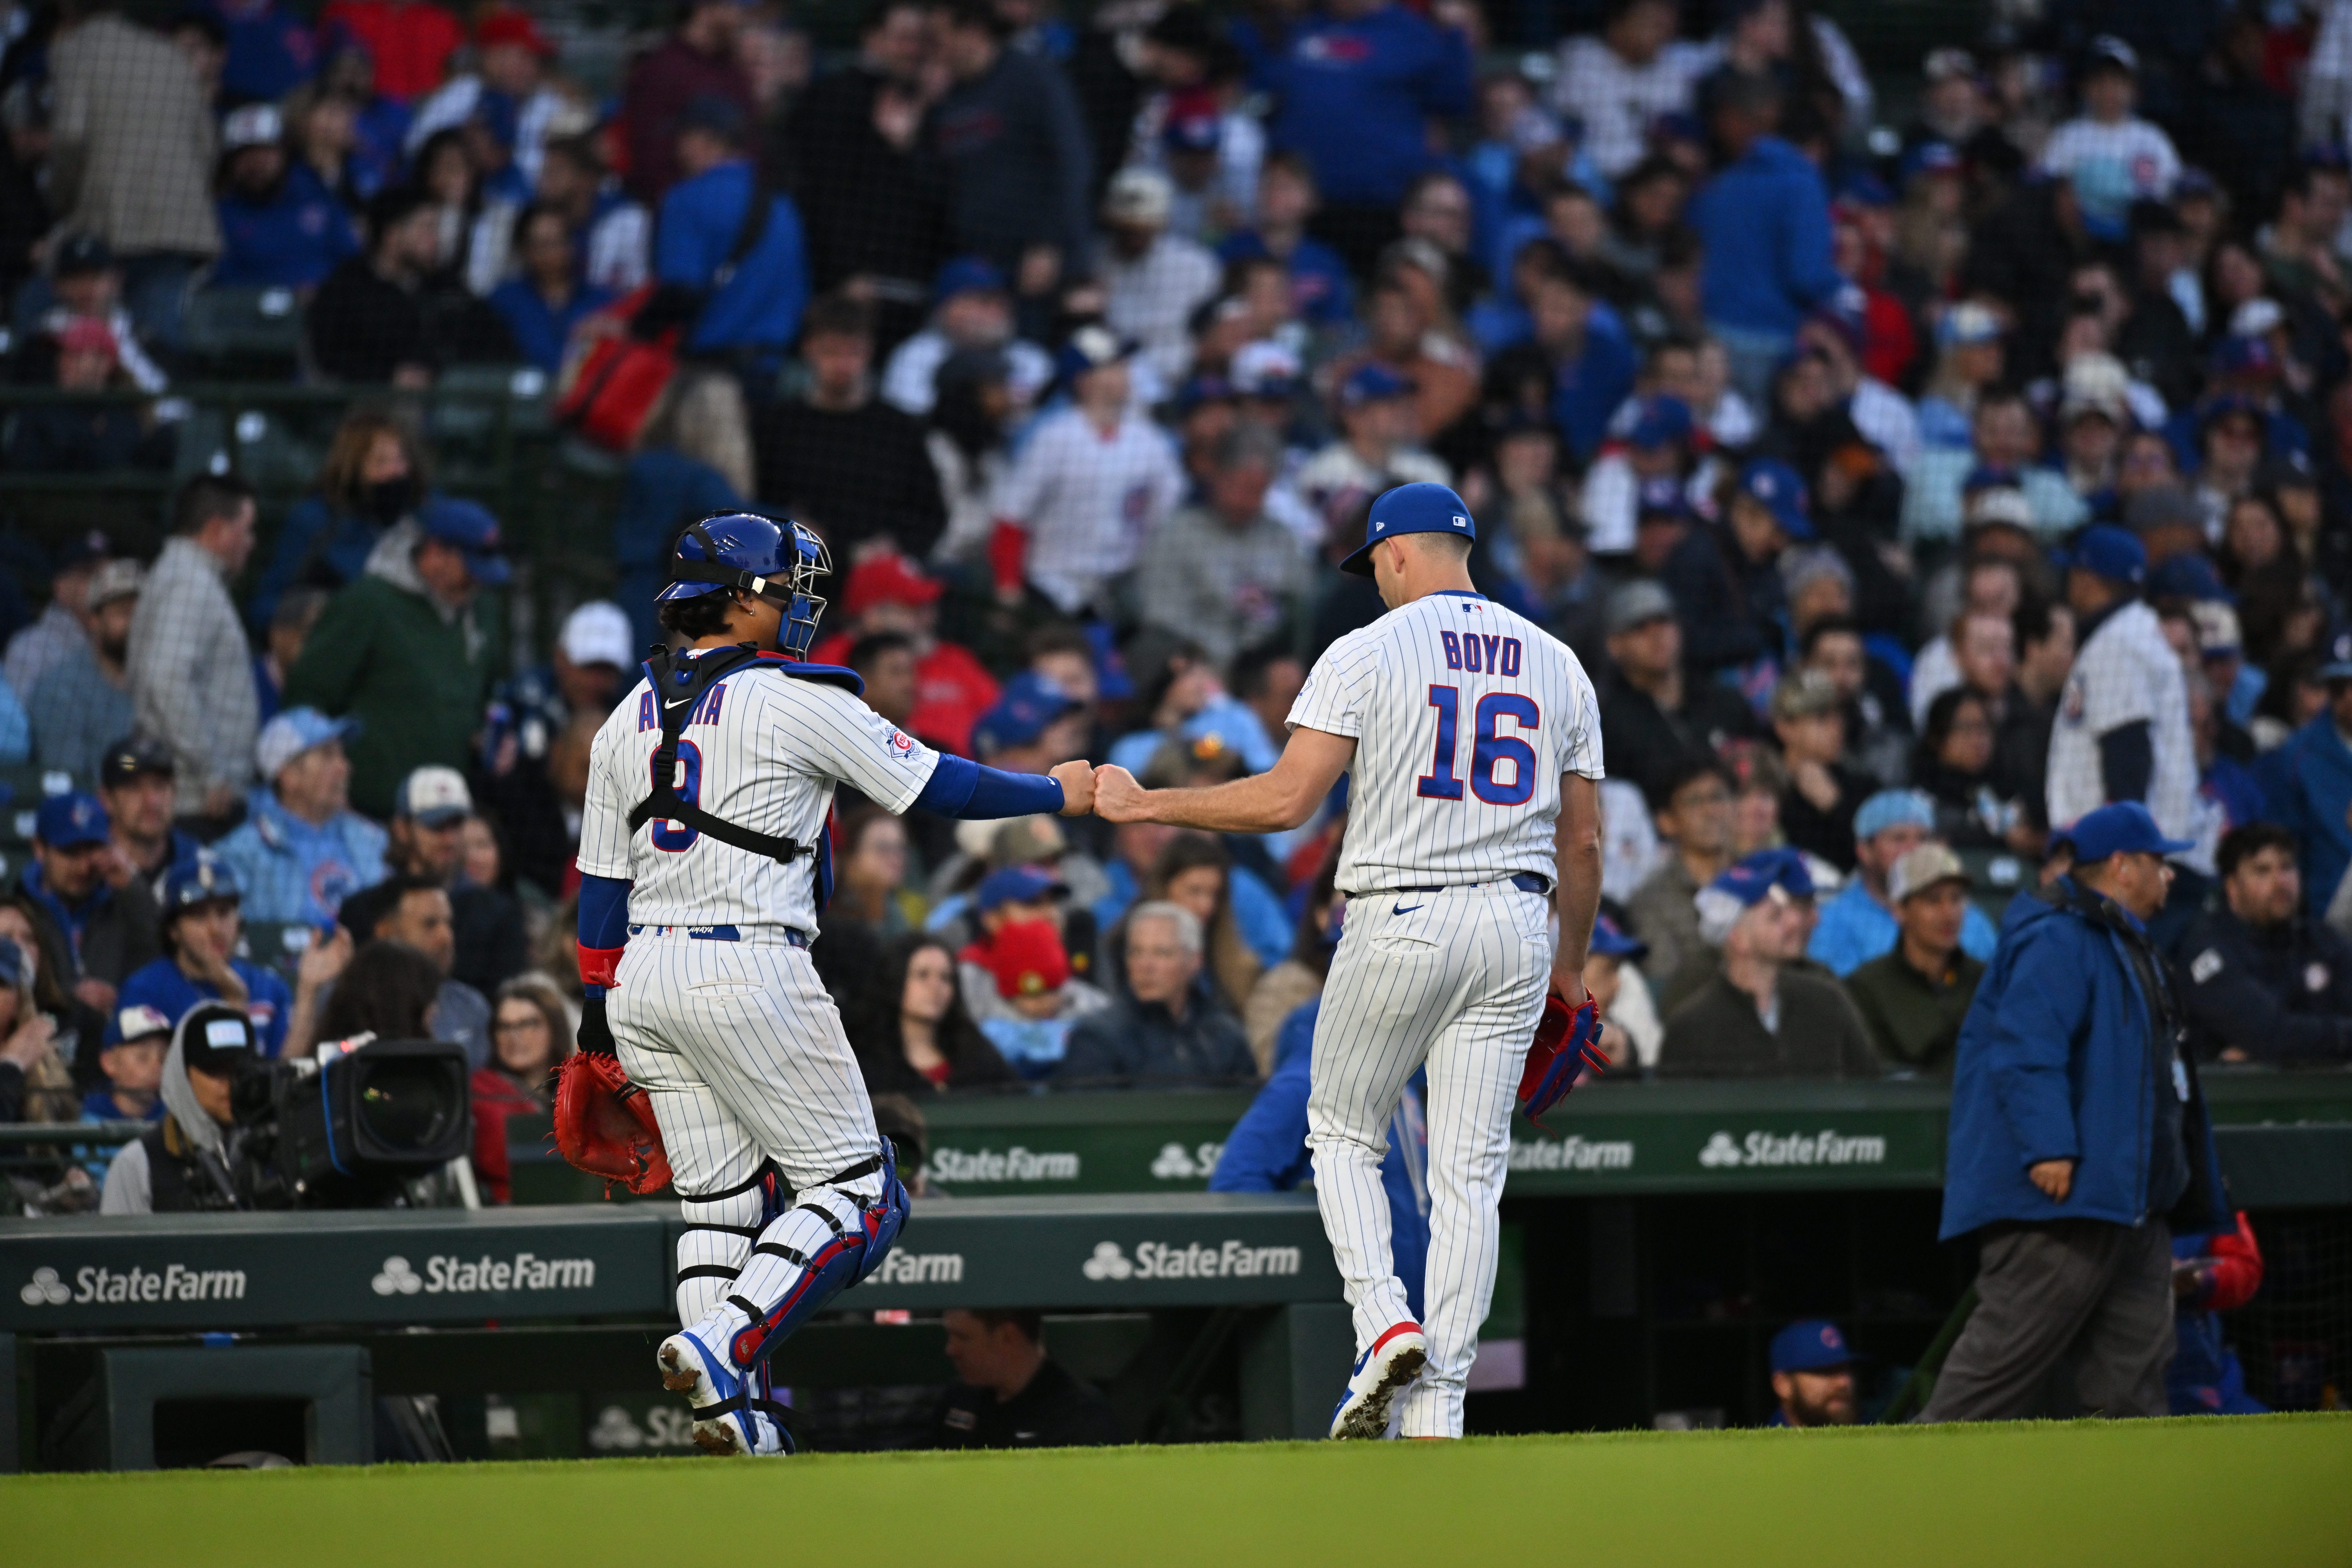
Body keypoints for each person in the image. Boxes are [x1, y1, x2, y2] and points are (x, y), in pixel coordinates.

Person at [573, 513, 1095, 1457]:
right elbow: (936, 784)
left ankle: (736, 1428)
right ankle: (721, 1344)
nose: (796, 605)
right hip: (746, 959)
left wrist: (594, 1024)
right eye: (780, 588)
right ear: (734, 599)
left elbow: (600, 894)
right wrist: (1056, 791)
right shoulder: (791, 697)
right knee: (861, 1193)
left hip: (644, 974)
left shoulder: (624, 716)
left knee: (720, 1208)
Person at [1093, 479, 1604, 1441]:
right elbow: (1581, 845)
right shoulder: (1558, 661)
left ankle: (1382, 1324)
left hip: (1400, 910)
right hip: (1514, 924)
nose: (1372, 578)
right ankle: (1440, 1406)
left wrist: (1145, 803)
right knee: (1467, 1176)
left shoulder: (1365, 650)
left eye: (1372, 561)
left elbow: (1288, 800)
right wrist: (1569, 968)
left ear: (1399, 552)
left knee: (1340, 1130)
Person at [1925, 803, 2230, 1423]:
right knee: (1987, 1387)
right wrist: (2048, 1146)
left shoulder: (2129, 944)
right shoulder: (2058, 938)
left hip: (2132, 1205)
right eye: (2159, 863)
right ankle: (1893, 1504)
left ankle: (2122, 1516)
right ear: (2121, 867)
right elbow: (2025, 1049)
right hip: (2064, 1205)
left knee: (2135, 1388)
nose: (2170, 875)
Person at [283, 498, 509, 821]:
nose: (478, 582)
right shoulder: (369, 603)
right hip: (368, 812)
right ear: (435, 553)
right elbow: (306, 698)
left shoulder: (480, 611)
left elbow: (488, 693)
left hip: (447, 813)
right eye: (470, 571)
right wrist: (326, 789)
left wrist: (491, 735)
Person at [1212, 993, 1430, 1322]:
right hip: (1348, 1326)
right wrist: (1300, 1265)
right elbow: (1235, 1186)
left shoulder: (1400, 1081)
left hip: (1411, 1322)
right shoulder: (1308, 1084)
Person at [1232, 0, 1473, 276]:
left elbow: (1454, 101)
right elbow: (1258, 86)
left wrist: (1455, 35)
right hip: (1308, 214)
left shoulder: (1413, 34)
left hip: (1384, 212)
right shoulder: (1297, 28)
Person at [46, 2, 222, 348]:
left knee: (82, 342)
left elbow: (69, 136)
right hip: (173, 225)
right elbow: (208, 145)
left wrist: (59, 200)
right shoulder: (168, 53)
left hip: (105, 226)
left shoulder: (76, 49)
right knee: (158, 346)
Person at [988, 326, 1185, 617]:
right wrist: (1008, 588)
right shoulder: (1054, 437)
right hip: (1052, 584)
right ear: (1083, 381)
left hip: (1119, 586)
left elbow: (1167, 517)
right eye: (1113, 366)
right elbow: (1011, 520)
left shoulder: (1148, 440)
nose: (1125, 372)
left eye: (1123, 364)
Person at [920, 0, 1094, 310]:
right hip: (978, 269)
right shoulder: (945, 99)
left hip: (1039, 265)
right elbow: (936, 185)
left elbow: (1073, 163)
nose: (933, 49)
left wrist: (1049, 243)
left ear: (973, 32)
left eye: (939, 37)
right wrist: (922, 116)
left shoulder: (1032, 77)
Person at [1686, 70, 1840, 402]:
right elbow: (1806, 275)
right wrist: (1842, 290)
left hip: (1713, 343)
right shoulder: (1802, 181)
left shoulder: (1720, 184)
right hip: (1772, 344)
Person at [1656, 853, 1880, 1080]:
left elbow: (1870, 1087)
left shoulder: (1828, 1003)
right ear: (1738, 938)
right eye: (1776, 916)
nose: (1794, 923)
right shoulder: (1692, 1027)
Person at [753, 293, 942, 559]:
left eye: (854, 352)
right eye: (831, 352)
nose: (843, 365)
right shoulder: (777, 425)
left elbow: (928, 511)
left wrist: (894, 545)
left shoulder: (898, 429)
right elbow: (751, 500)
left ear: (870, 351)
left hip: (875, 572)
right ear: (809, 349)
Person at [126, 475, 261, 826]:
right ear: (218, 529)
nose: (252, 542)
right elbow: (166, 678)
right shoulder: (190, 584)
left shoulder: (178, 575)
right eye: (246, 530)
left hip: (191, 794)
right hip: (197, 801)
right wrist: (212, 773)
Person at [2047, 530, 2196, 846]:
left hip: (2130, 854)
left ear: (2087, 580)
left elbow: (2128, 751)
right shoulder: (2134, 632)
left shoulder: (2118, 642)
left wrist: (2125, 848)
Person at [115, 857, 338, 1063]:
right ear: (173, 930)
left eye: (224, 913)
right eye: (199, 916)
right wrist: (233, 1002)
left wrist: (308, 990)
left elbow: (286, 1076)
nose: (216, 930)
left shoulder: (268, 987)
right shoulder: (145, 991)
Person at [653, 94, 809, 378]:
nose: (679, 152)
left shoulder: (686, 199)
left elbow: (679, 292)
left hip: (710, 375)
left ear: (708, 140)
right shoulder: (783, 206)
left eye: (684, 139)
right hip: (774, 375)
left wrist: (633, 330)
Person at [1137, 423, 1309, 673]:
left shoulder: (1279, 538)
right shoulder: (1178, 533)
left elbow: (1299, 610)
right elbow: (1160, 620)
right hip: (1193, 667)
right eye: (1242, 487)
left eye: (1259, 491)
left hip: (1261, 673)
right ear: (1217, 476)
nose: (1249, 501)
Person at [2178, 824, 2352, 1063]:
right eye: (2262, 871)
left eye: (2287, 867)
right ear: (2232, 886)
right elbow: (2273, 1035)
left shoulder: (2321, 941)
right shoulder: (2208, 950)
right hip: (2233, 1099)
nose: (2280, 881)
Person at [209, 708, 388, 928]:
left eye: (342, 755)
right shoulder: (240, 856)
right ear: (288, 775)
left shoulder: (373, 839)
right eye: (327, 755)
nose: (345, 768)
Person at [1596, 580, 1758, 806]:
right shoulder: (1606, 724)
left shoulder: (1726, 702)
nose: (1656, 635)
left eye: (1663, 622)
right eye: (1639, 627)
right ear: (1615, 645)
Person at [1059, 901, 1253, 1085]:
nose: (1145, 966)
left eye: (1161, 953)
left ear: (1195, 961)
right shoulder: (1097, 1038)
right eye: (1136, 952)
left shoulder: (1226, 1036)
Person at [1807, 789, 1997, 975]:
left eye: (1923, 839)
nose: (1913, 850)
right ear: (1865, 851)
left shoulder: (1968, 919)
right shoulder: (1831, 920)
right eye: (1898, 839)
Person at [98, 1002, 259, 1215]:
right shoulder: (137, 1164)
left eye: (241, 1070)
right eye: (215, 1070)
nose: (231, 1083)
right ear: (183, 1076)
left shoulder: (273, 1151)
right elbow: (117, 1248)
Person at [381, 766, 523, 997]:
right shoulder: (370, 906)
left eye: (456, 825)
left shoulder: (497, 914)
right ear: (402, 830)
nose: (449, 840)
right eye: (436, 826)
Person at [1844, 843, 1985, 1076]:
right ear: (1899, 909)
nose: (1949, 913)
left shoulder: (1986, 982)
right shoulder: (1866, 988)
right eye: (1934, 900)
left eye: (1956, 898)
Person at [15, 790, 159, 1018]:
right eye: (71, 853)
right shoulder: (17, 912)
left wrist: (133, 889)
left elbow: (160, 959)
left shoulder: (123, 904)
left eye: (93, 850)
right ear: (40, 849)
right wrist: (67, 997)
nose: (84, 867)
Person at [334, 872, 490, 1068]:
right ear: (386, 931)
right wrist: (308, 990)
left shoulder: (471, 1007)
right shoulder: (345, 1001)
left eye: (449, 924)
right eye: (430, 924)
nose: (447, 937)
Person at [307, 184, 446, 385]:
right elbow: (328, 358)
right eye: (426, 228)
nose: (435, 239)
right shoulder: (346, 289)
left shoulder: (442, 286)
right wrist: (389, 377)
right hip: (361, 403)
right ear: (393, 235)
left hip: (433, 403)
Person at [849, 933, 1013, 1097]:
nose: (936, 986)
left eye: (946, 978)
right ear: (894, 980)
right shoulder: (863, 1062)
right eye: (923, 975)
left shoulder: (977, 1055)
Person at [1100, 166, 1219, 388]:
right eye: (1127, 229)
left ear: (1161, 223)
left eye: (1143, 229)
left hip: (1180, 380)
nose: (1135, 238)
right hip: (1113, 378)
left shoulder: (1194, 264)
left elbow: (1215, 329)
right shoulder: (1094, 261)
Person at [932, 1308, 1120, 1448]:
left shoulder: (1081, 1418)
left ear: (1008, 1337)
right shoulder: (958, 1399)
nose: (951, 1350)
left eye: (963, 1338)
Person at [26, 558, 140, 779]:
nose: (136, 624)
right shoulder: (60, 690)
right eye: (124, 612)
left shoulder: (158, 686)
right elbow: (70, 783)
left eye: (143, 614)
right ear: (94, 620)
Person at [470, 975, 573, 1205]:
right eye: (504, 1026)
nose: (514, 1036)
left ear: (554, 1028)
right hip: (509, 1212)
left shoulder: (579, 1087)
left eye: (528, 1024)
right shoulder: (482, 1089)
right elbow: (500, 1161)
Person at [487, 202, 615, 375]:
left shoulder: (605, 302)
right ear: (525, 250)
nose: (550, 253)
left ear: (572, 245)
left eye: (557, 242)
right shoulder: (504, 301)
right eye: (541, 245)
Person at [97, 736, 204, 903]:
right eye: (134, 787)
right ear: (106, 799)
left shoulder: (201, 864)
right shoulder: (89, 870)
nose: (151, 801)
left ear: (175, 793)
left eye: (160, 786)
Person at [83, 1002, 170, 1123]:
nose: (157, 1068)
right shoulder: (86, 1125)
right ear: (110, 1063)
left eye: (164, 1058)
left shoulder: (176, 1123)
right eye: (143, 1057)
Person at [1766, 1319, 1860, 1427]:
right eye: (1825, 1371)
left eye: (1846, 1370)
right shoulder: (1760, 1443)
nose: (1844, 1383)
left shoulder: (1875, 1438)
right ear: (1783, 1385)